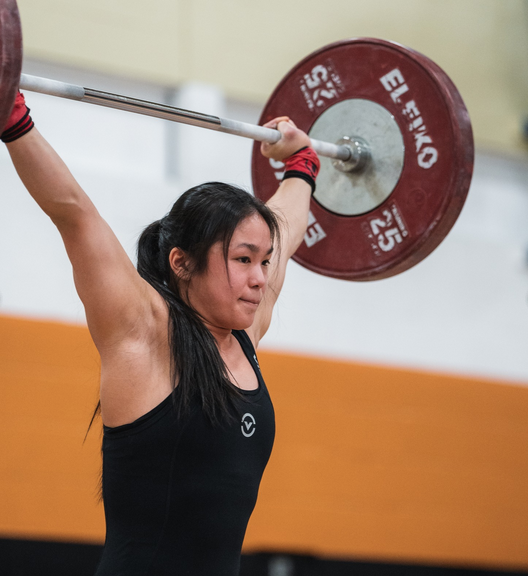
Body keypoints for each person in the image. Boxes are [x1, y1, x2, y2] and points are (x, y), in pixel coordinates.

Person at [1, 92, 320, 576]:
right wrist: (13, 117)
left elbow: (288, 226)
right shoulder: (145, 333)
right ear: (182, 263)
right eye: (242, 260)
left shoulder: (246, 333)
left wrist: (302, 163)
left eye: (263, 261)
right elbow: (75, 214)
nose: (259, 277)